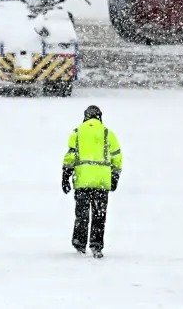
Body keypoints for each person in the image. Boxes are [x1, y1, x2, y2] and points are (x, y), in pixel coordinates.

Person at [61, 104, 123, 258]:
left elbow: (71, 156)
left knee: (82, 215)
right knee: (99, 215)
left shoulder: (77, 132)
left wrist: (65, 175)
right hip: (101, 182)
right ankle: (96, 245)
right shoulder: (108, 133)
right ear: (99, 117)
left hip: (83, 181)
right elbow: (117, 157)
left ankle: (80, 243)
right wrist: (115, 176)